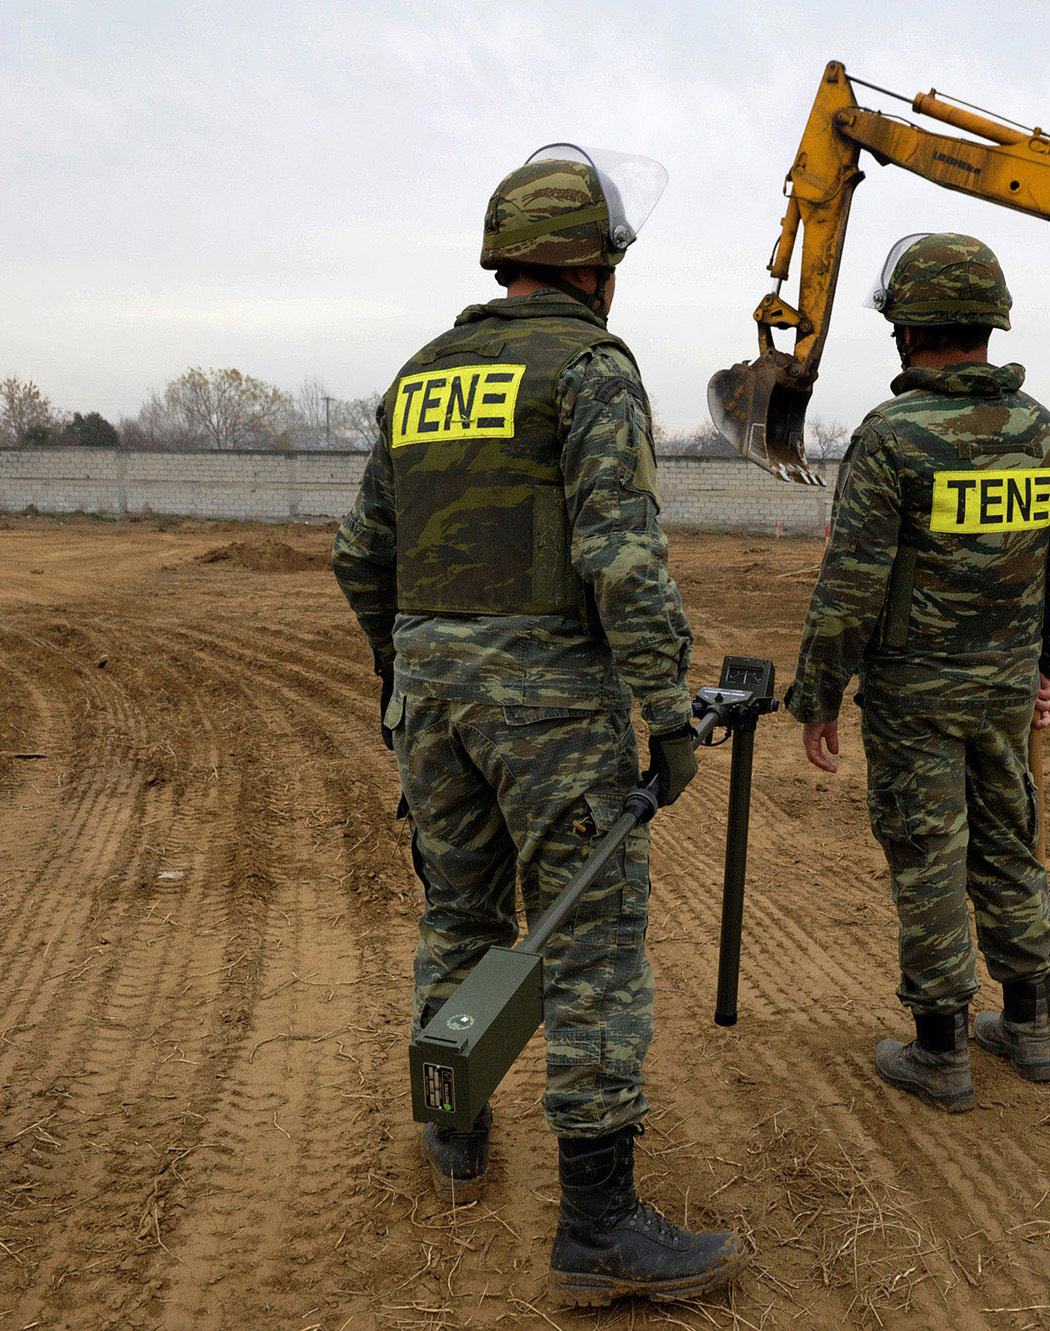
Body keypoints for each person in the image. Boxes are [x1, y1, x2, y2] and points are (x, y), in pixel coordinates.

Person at [332, 144, 747, 1306]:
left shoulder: (420, 376)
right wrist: (665, 712)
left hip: (433, 697)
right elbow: (620, 554)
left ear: (502, 259)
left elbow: (361, 550)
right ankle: (599, 1224)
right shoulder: (590, 368)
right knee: (592, 943)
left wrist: (405, 671)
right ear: (595, 270)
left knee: (459, 906)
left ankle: (451, 1127)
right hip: (552, 709)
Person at [781, 233, 1050, 1112]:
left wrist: (818, 694)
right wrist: (1045, 666)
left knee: (929, 856)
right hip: (1003, 691)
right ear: (990, 323)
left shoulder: (891, 440)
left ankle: (940, 1050)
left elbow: (851, 584)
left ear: (907, 329)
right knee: (1008, 843)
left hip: (913, 697)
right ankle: (1031, 1026)